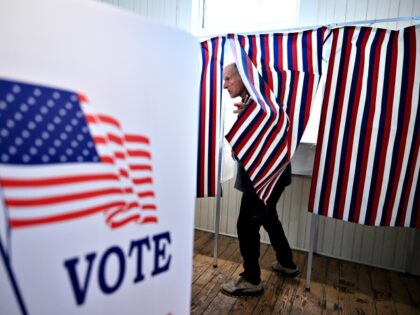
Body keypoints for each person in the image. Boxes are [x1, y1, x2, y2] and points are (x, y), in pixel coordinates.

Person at [221, 63, 300, 296]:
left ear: (243, 78)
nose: (225, 85)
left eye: (228, 79)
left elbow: (250, 147)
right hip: (272, 176)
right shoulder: (255, 103)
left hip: (265, 178)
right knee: (269, 217)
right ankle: (287, 263)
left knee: (246, 224)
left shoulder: (259, 105)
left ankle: (252, 279)